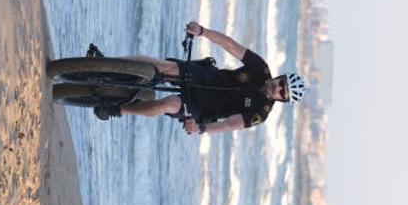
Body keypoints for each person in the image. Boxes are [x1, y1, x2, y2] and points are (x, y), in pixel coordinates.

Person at [92, 22, 307, 135]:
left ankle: (118, 110)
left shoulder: (261, 112)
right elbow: (230, 45)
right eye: (281, 83)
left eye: (282, 93)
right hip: (205, 77)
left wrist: (201, 128)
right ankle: (108, 64)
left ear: (281, 100)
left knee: (168, 104)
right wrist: (203, 31)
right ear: (279, 77)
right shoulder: (261, 68)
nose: (277, 88)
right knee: (162, 67)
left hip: (204, 108)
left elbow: (229, 125)